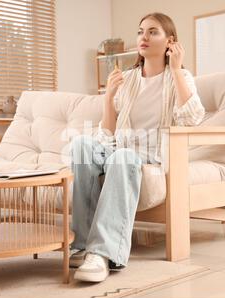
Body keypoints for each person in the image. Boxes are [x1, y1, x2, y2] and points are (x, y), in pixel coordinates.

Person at [69, 12, 205, 282]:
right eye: (141, 31)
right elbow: (107, 133)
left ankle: (102, 254)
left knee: (123, 157)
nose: (144, 37)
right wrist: (108, 98)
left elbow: (192, 118)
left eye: (153, 32)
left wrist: (176, 69)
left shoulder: (181, 77)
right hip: (119, 151)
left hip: (148, 157)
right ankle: (81, 244)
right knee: (82, 145)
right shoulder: (128, 79)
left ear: (170, 41)